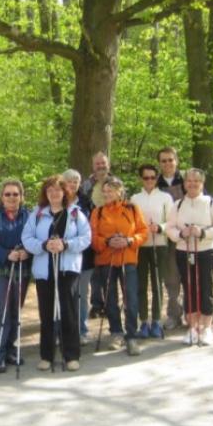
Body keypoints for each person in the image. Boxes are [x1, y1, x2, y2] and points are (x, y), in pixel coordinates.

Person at [22, 175, 91, 371]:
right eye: (50, 190)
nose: (54, 193)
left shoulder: (75, 214)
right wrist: (44, 245)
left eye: (58, 190)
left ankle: (71, 355)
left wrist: (66, 244)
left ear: (65, 192)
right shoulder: (37, 214)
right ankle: (47, 355)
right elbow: (26, 238)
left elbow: (86, 238)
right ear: (45, 193)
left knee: (69, 312)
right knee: (46, 313)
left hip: (67, 269)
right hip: (45, 270)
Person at [166, 168, 213, 346]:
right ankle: (192, 328)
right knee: (189, 288)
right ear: (184, 184)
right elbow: (169, 228)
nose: (192, 184)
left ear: (202, 184)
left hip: (206, 251)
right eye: (189, 181)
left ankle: (206, 328)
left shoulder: (210, 203)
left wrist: (202, 232)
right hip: (184, 252)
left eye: (196, 181)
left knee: (206, 287)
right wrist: (181, 233)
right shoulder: (177, 205)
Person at [90, 177, 148, 356]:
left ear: (120, 191)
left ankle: (131, 336)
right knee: (110, 300)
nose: (106, 194)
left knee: (131, 298)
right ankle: (116, 333)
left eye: (110, 191)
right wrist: (107, 241)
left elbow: (143, 231)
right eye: (104, 191)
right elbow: (92, 237)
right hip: (106, 260)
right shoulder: (97, 212)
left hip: (128, 258)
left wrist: (129, 240)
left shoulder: (131, 209)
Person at [0, 179, 31, 373]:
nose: (11, 197)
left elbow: (34, 237)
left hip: (21, 268)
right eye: (7, 194)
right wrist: (5, 254)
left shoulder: (28, 215)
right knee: (1, 312)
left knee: (15, 312)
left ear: (21, 196)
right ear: (1, 197)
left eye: (15, 194)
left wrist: (27, 251)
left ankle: (11, 349)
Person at [130, 165, 174, 339]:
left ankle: (156, 321)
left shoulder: (165, 197)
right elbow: (131, 222)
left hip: (159, 244)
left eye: (153, 177)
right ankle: (143, 322)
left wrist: (160, 227)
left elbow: (171, 221)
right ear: (141, 179)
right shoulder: (135, 198)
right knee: (141, 285)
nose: (149, 181)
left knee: (157, 284)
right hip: (140, 246)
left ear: (157, 178)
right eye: (146, 177)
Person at [61, 169, 95, 346]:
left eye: (76, 181)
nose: (73, 184)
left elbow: (90, 229)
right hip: (62, 258)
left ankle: (81, 329)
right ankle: (64, 330)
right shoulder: (57, 201)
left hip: (84, 257)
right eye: (69, 181)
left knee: (81, 295)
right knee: (64, 295)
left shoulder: (86, 202)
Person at [156, 147, 186, 330]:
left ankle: (193, 313)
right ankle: (174, 315)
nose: (167, 164)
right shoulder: (155, 183)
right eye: (163, 161)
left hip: (188, 237)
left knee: (190, 278)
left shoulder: (188, 180)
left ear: (176, 161)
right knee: (172, 280)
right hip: (166, 239)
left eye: (170, 160)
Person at [81, 152, 111, 319]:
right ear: (93, 166)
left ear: (108, 164)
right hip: (92, 230)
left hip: (112, 231)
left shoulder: (116, 183)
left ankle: (109, 303)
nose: (101, 166)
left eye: (103, 163)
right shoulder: (86, 184)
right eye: (97, 164)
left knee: (109, 271)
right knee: (94, 271)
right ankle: (96, 304)